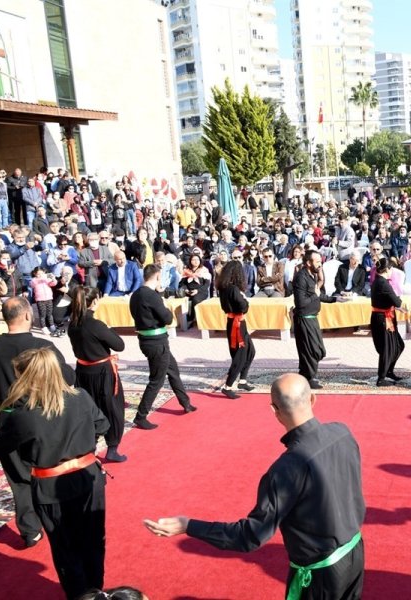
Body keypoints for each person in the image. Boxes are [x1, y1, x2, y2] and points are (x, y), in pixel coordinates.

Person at [144, 373, 365, 600]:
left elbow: (250, 536)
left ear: (274, 410)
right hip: (355, 553)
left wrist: (188, 526)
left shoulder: (286, 468)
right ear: (312, 399)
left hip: (321, 573)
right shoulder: (343, 432)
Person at [0, 347, 109, 600]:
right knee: (94, 540)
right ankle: (97, 591)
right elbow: (102, 424)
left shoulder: (23, 417)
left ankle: (80, 595)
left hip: (52, 488)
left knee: (66, 548)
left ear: (27, 377)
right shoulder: (81, 397)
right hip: (90, 478)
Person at [0, 296, 75, 549]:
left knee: (19, 478)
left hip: (8, 417)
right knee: (50, 468)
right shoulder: (42, 346)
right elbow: (68, 377)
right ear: (26, 315)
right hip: (38, 417)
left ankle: (30, 530)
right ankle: (57, 519)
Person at [129, 264, 197, 430]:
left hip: (147, 339)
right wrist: (163, 303)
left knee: (172, 370)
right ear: (158, 276)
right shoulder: (152, 296)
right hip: (156, 341)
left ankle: (185, 402)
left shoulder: (136, 294)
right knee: (156, 380)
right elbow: (167, 318)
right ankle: (141, 416)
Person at [68, 286, 128, 462]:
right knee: (112, 408)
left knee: (88, 408)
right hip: (102, 372)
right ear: (94, 301)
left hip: (83, 370)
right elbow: (119, 345)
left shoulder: (72, 324)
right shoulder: (95, 325)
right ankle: (112, 447)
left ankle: (89, 446)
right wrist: (109, 328)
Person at [293, 250, 336, 389]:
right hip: (304, 319)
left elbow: (318, 295)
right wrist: (315, 295)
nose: (320, 264)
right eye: (317, 261)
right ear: (308, 263)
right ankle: (308, 377)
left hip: (312, 318)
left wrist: (335, 299)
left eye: (320, 261)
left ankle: (305, 375)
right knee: (311, 350)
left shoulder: (312, 275)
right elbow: (301, 302)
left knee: (318, 350)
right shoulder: (301, 277)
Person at [216, 260, 256, 399]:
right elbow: (243, 307)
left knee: (250, 351)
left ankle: (242, 381)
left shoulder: (223, 288)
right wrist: (245, 299)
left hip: (235, 322)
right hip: (237, 323)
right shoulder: (232, 289)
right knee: (240, 356)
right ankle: (228, 386)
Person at [370, 257, 408, 386]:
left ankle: (389, 371)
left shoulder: (379, 280)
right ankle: (381, 378)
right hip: (383, 319)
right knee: (387, 349)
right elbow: (397, 301)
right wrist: (399, 303)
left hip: (385, 317)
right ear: (387, 269)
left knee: (398, 346)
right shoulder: (383, 283)